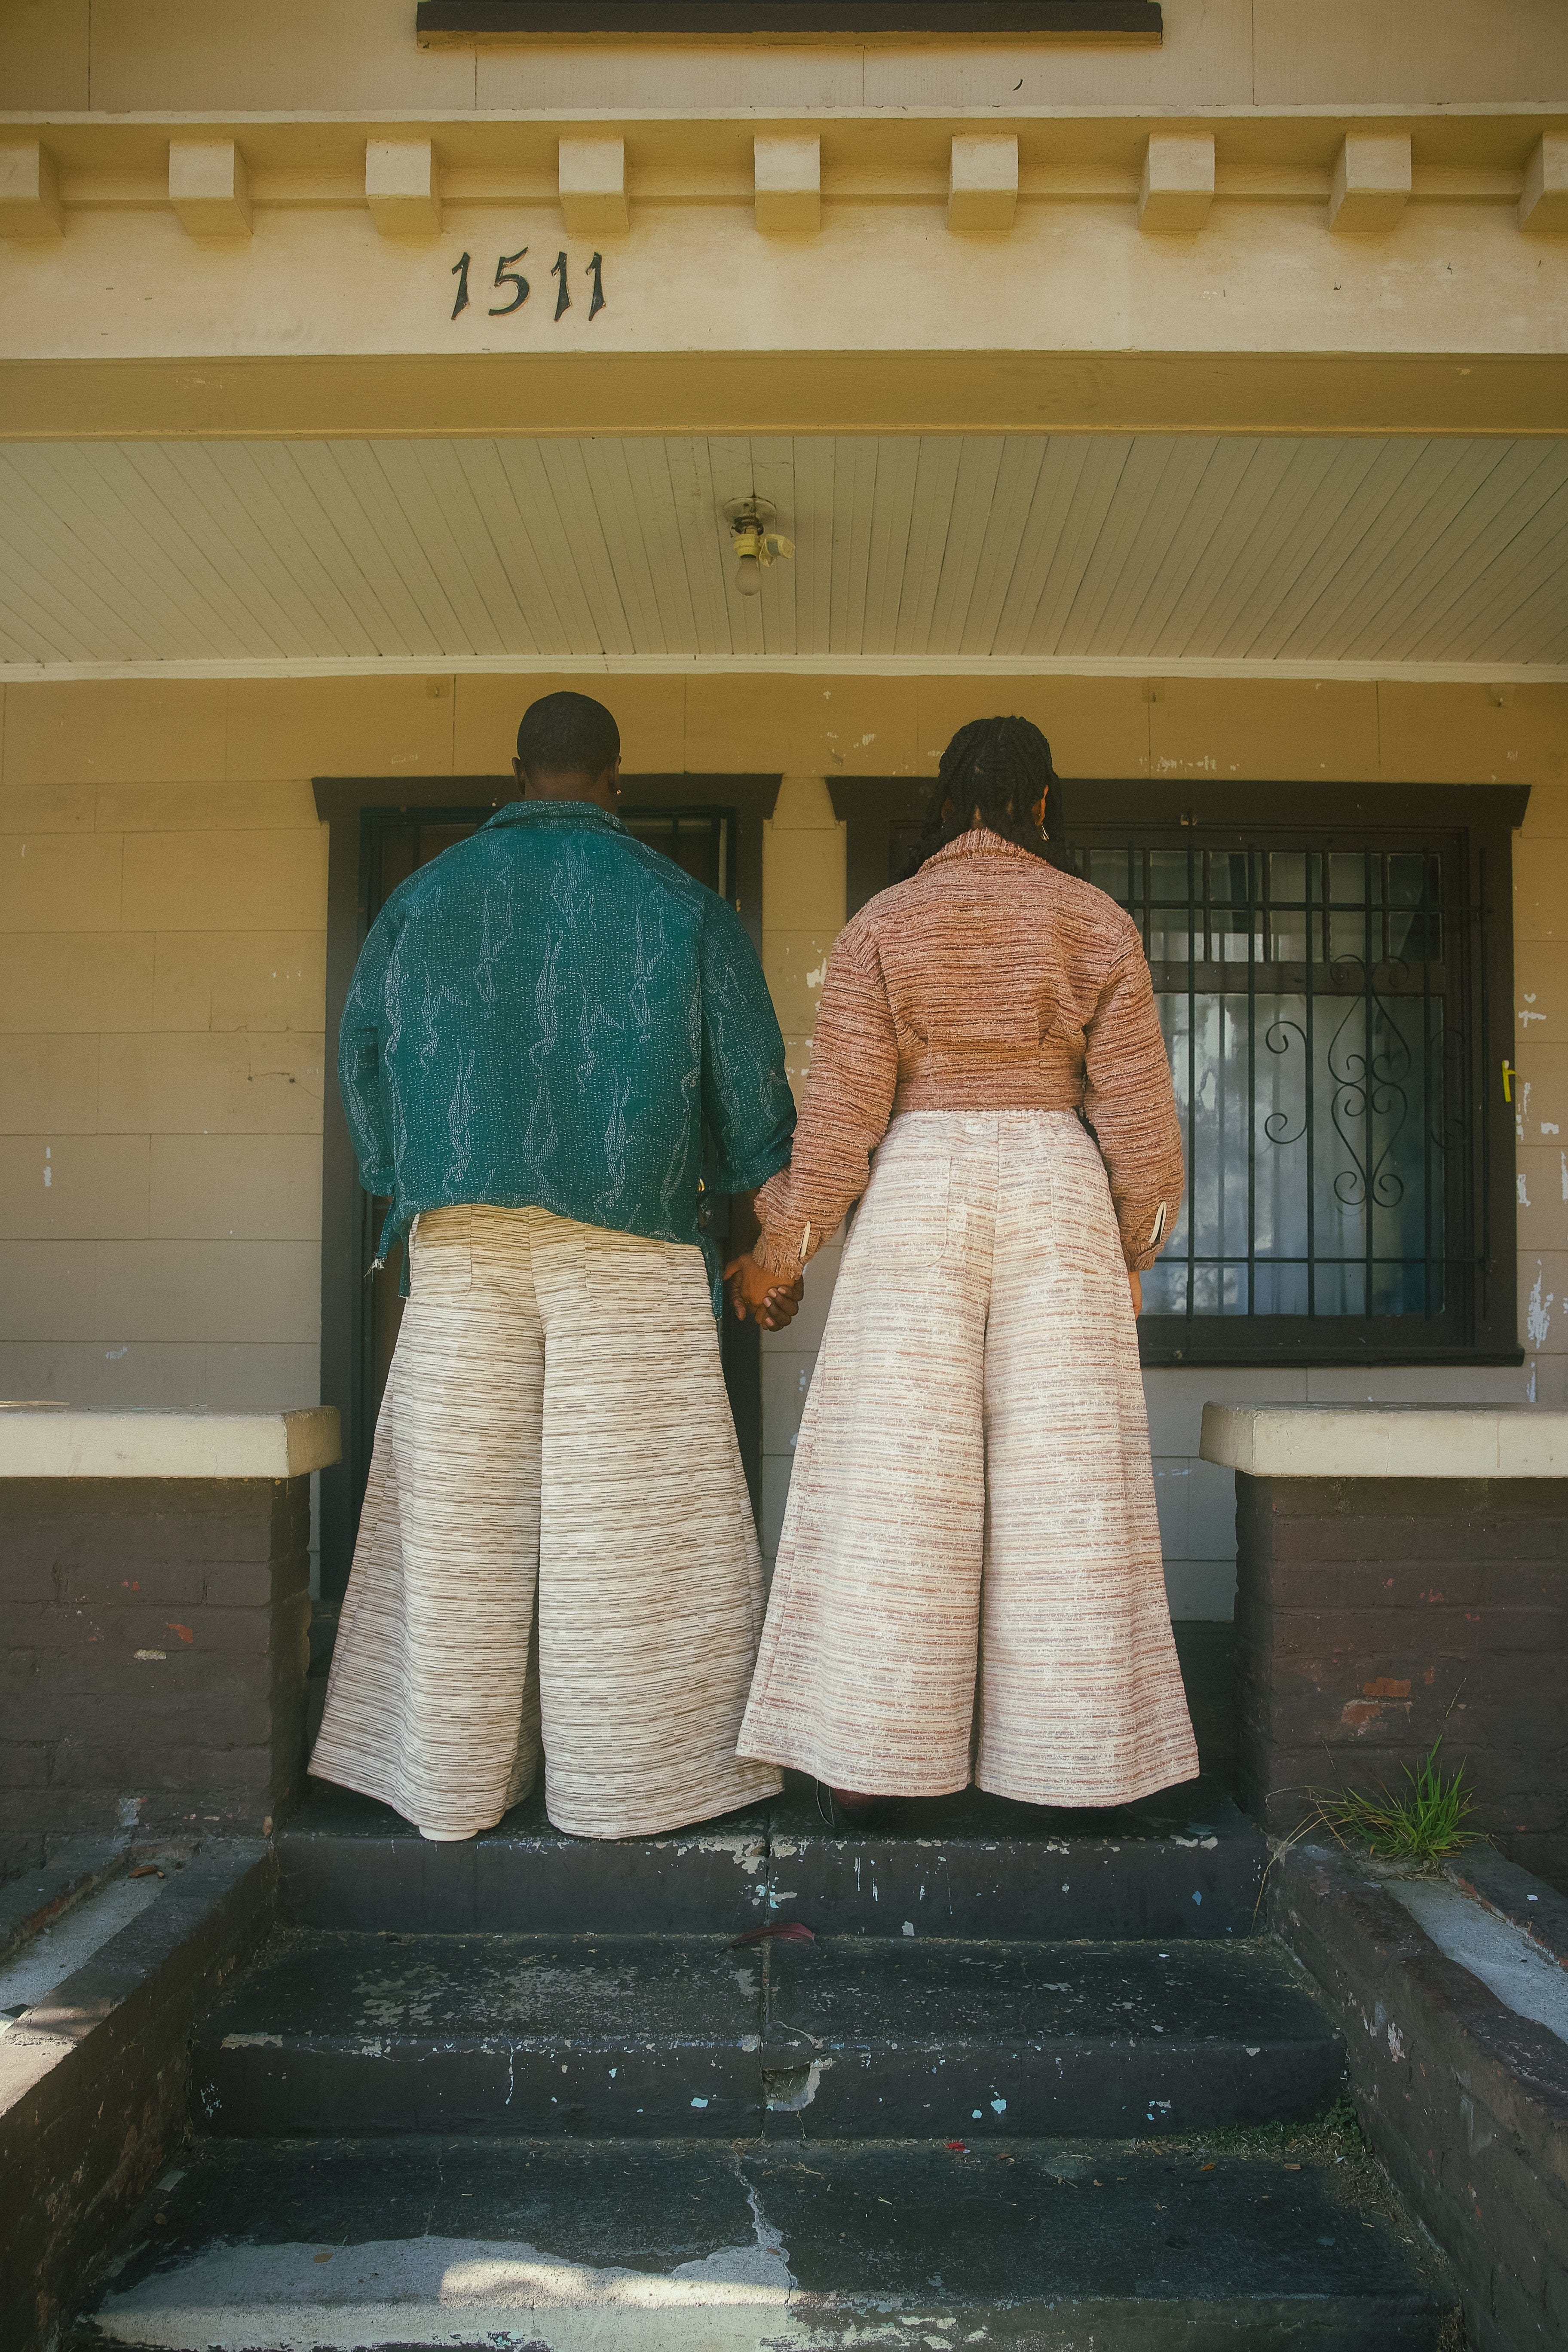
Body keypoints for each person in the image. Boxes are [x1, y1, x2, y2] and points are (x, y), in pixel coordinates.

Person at [311, 692, 799, 1844]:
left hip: (464, 1238)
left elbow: (364, 1058)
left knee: (459, 1530)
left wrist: (404, 1183)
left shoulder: (421, 901)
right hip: (630, 1238)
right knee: (630, 1529)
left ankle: (451, 1785)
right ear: (615, 781)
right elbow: (755, 1097)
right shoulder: (682, 906)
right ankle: (637, 1788)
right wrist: (751, 1225)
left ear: (516, 773)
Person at [726, 715, 1198, 1819]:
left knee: (896, 1481)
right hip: (1056, 1192)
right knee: (1067, 1487)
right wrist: (1136, 1248)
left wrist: (778, 1250)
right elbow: (1142, 1126)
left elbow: (840, 1127)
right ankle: (1074, 1768)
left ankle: (870, 1765)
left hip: (920, 1190)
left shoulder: (884, 922)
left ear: (948, 803)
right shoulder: (1097, 921)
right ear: (1041, 804)